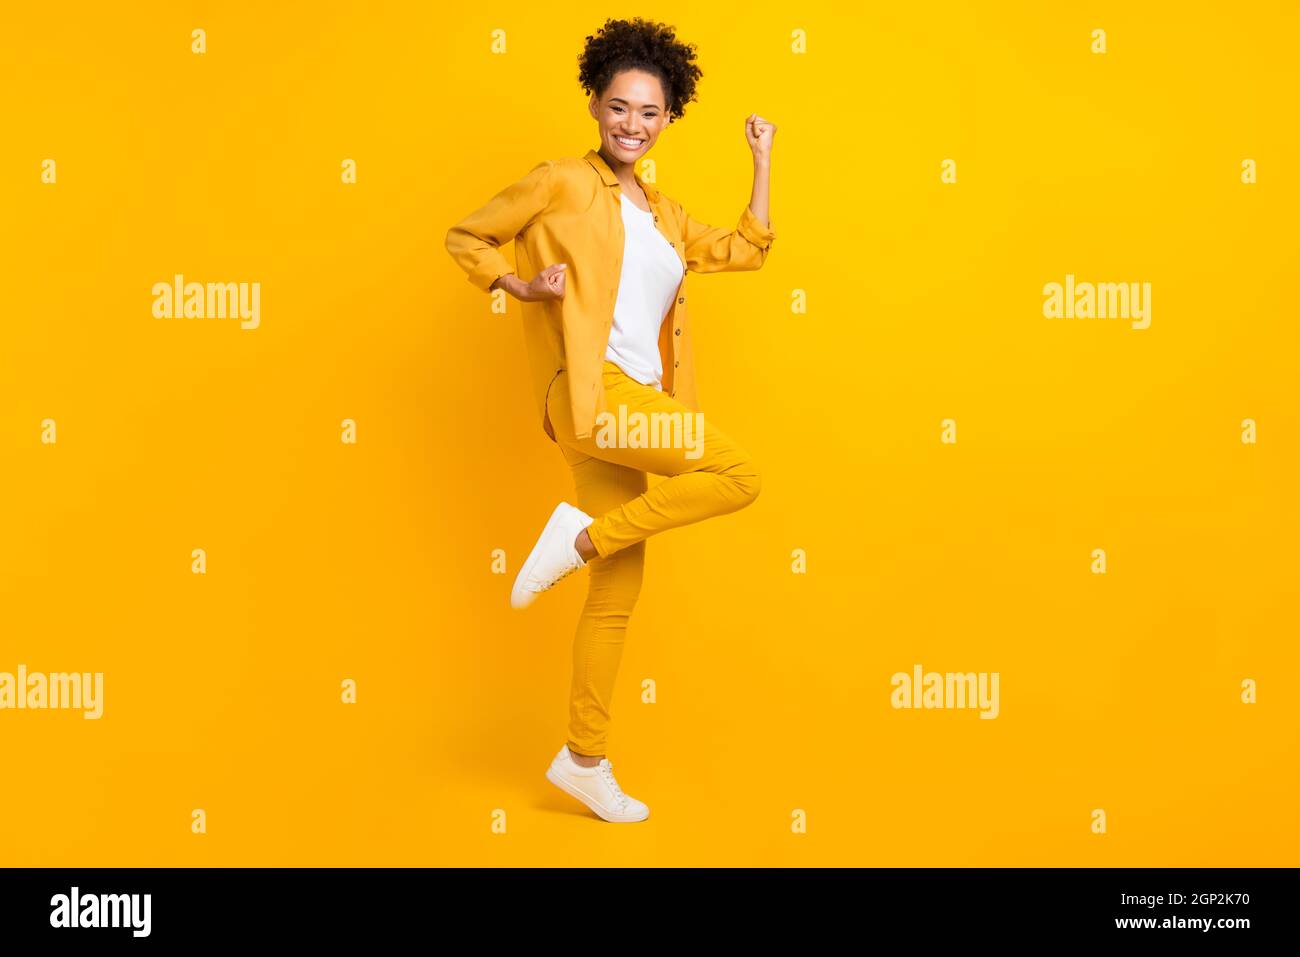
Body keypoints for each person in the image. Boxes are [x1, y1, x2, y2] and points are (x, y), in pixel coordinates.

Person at [444, 16, 778, 823]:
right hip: (599, 394)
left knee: (616, 595)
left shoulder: (663, 214)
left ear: (669, 121)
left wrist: (762, 160)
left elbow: (747, 247)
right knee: (739, 474)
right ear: (596, 105)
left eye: (649, 112)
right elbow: (467, 234)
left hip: (628, 402)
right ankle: (581, 536)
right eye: (619, 107)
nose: (632, 123)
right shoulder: (561, 181)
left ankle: (582, 757)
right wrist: (520, 287)